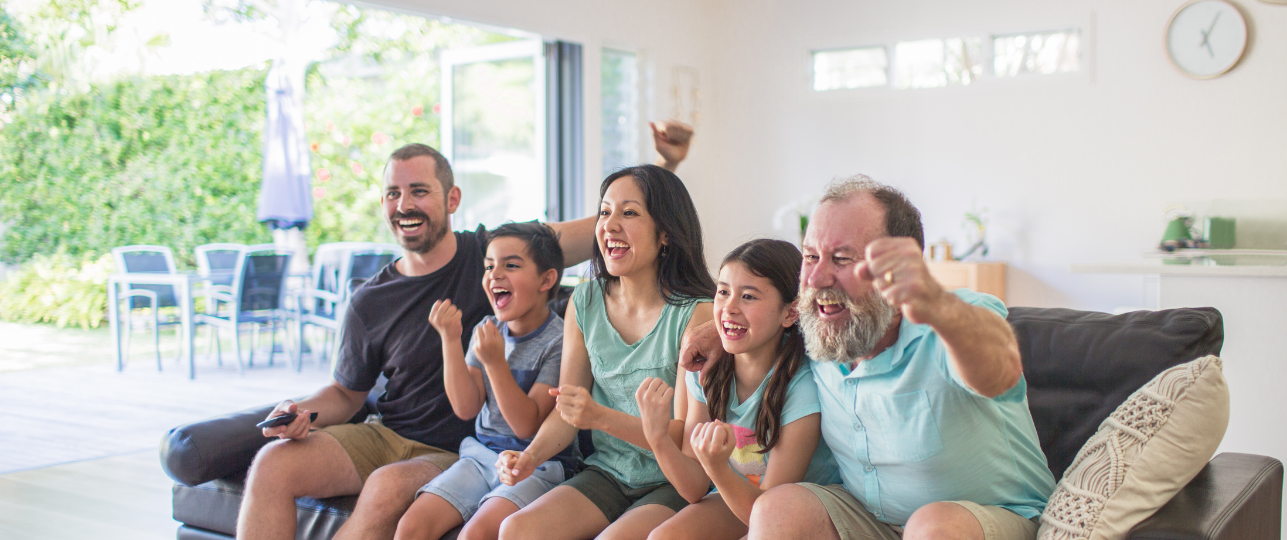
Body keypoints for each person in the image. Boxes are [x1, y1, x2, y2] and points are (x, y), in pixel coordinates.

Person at [236, 120, 693, 540]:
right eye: (393, 194)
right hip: (385, 432)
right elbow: (345, 392)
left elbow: (607, 228)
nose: (405, 204)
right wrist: (301, 411)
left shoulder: (493, 254)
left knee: (385, 487)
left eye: (419, 191)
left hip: (457, 447)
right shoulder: (369, 298)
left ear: (451, 200)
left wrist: (664, 167)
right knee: (271, 464)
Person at [680, 176, 1055, 540]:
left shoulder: (949, 321)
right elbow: (771, 314)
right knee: (776, 509)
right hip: (866, 518)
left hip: (989, 518)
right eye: (811, 257)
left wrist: (938, 306)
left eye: (842, 258)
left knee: (933, 528)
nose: (819, 277)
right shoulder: (821, 330)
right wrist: (717, 331)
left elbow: (998, 371)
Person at [495, 164, 714, 540]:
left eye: (629, 213)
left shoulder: (697, 314)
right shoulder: (585, 301)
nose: (609, 225)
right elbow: (568, 412)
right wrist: (529, 458)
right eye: (604, 212)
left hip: (674, 479)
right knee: (514, 530)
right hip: (607, 473)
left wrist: (599, 417)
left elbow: (680, 436)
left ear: (665, 233)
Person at [639, 238, 839, 540]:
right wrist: (657, 439)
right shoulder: (706, 371)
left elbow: (768, 516)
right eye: (723, 292)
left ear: (790, 312)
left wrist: (718, 468)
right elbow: (693, 489)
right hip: (739, 495)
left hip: (796, 511)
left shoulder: (801, 385)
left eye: (748, 297)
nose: (729, 308)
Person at [394, 222, 576, 540]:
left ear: (547, 279)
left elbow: (526, 426)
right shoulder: (487, 328)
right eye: (489, 266)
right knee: (411, 527)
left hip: (538, 464)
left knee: (474, 534)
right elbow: (466, 407)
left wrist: (495, 363)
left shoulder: (559, 342)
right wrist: (451, 340)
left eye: (511, 265)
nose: (495, 274)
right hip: (482, 456)